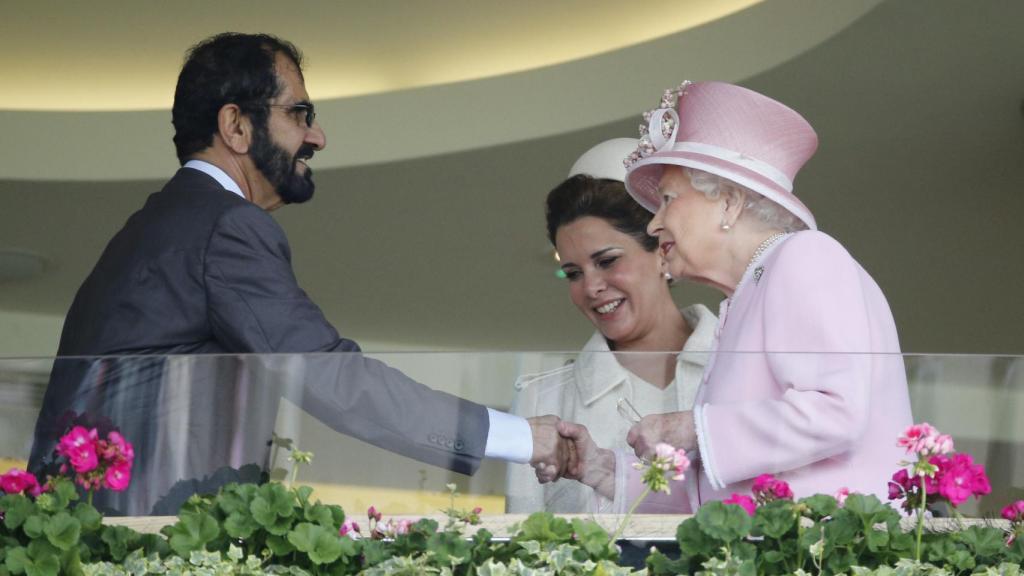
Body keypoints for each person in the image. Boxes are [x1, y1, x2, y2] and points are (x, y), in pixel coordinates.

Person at [28, 32, 569, 515]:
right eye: (300, 114)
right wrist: (525, 438)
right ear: (236, 126)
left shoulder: (155, 225)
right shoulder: (226, 225)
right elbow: (333, 381)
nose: (317, 138)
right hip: (146, 539)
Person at [558, 81, 913, 512]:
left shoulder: (806, 255)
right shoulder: (750, 293)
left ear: (728, 203)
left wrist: (693, 428)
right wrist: (603, 470)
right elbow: (727, 487)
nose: (654, 226)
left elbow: (836, 412)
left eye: (668, 200)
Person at [504, 139, 716, 513]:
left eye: (607, 261)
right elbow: (523, 544)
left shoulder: (744, 365)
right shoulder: (544, 400)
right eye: (573, 273)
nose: (591, 287)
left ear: (663, 250)